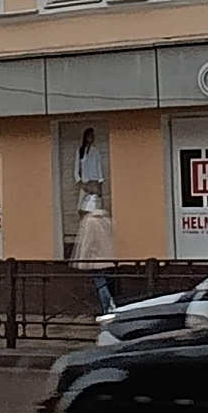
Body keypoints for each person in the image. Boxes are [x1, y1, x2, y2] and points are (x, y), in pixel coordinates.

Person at [71, 128, 116, 309]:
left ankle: (108, 306)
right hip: (85, 184)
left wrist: (98, 186)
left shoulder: (92, 221)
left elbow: (98, 170)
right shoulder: (81, 151)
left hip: (95, 259)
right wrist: (82, 184)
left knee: (100, 282)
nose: (91, 138)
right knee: (103, 281)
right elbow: (76, 170)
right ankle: (109, 305)